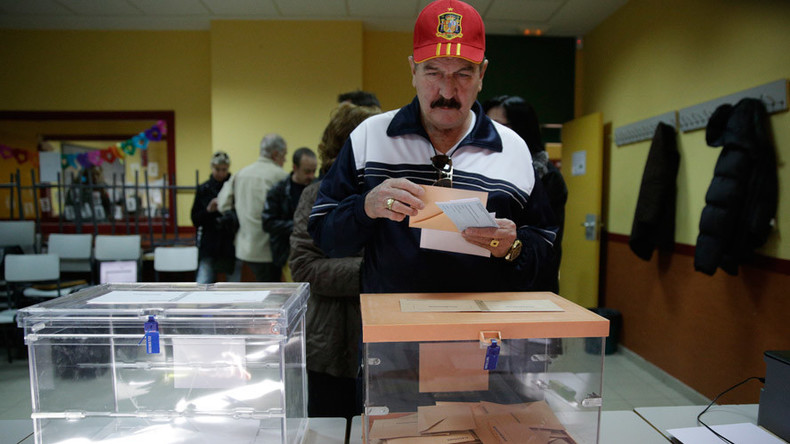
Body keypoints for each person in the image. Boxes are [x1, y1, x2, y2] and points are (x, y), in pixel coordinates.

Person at [308, 0, 558, 294]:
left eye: (463, 74)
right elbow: (325, 237)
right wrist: (366, 207)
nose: (447, 91)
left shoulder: (513, 148)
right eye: (433, 72)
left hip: (482, 330)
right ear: (413, 70)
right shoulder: (369, 137)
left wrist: (513, 248)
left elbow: (547, 251)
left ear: (482, 75)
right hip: (393, 329)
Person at [290, 102, 381, 418]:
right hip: (329, 346)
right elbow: (303, 268)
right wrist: (374, 272)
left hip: (384, 345)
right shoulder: (316, 196)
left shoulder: (394, 193)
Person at [483, 95, 568, 293]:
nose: (490, 133)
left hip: (529, 281)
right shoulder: (485, 166)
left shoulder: (546, 175)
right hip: (488, 280)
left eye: (499, 126)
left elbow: (548, 241)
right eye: (486, 125)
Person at [217, 134, 289, 282]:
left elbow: (222, 203)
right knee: (272, 290)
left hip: (246, 248)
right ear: (275, 154)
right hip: (270, 249)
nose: (285, 160)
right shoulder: (281, 176)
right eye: (284, 155)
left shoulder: (240, 174)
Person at [262, 147, 318, 280]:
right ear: (294, 167)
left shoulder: (319, 189)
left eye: (314, 171)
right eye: (307, 171)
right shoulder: (278, 191)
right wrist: (299, 227)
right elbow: (268, 223)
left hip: (313, 253)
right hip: (285, 254)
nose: (311, 176)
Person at [191, 151, 240, 284]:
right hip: (210, 243)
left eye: (224, 170)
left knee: (234, 288)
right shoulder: (204, 189)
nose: (220, 173)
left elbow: (242, 215)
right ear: (212, 167)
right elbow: (195, 219)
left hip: (230, 243)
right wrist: (209, 210)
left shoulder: (235, 187)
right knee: (203, 284)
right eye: (217, 169)